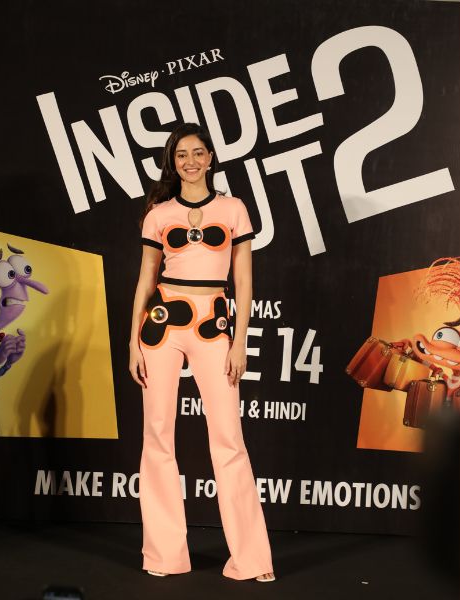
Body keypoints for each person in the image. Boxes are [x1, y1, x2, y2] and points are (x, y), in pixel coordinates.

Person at [128, 122, 275, 582]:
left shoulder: (233, 209)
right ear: (172, 163)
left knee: (229, 438)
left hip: (214, 323)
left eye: (197, 153)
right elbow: (146, 279)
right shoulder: (158, 214)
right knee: (157, 436)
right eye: (181, 155)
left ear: (211, 158)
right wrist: (132, 342)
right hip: (162, 324)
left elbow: (244, 281)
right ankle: (164, 555)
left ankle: (252, 559)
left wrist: (240, 341)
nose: (190, 161)